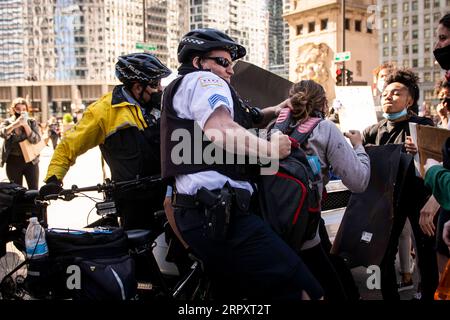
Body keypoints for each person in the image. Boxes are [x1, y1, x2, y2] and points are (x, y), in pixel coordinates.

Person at [161, 28, 323, 300]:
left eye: (232, 64)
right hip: (223, 215)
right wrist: (271, 149)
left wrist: (276, 108)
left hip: (204, 215)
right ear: (200, 62)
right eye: (223, 62)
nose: (230, 70)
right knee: (305, 291)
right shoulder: (202, 79)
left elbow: (248, 116)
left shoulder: (183, 88)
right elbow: (222, 130)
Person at [40, 53, 172, 231]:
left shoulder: (162, 105)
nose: (160, 89)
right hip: (132, 200)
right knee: (138, 251)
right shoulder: (103, 111)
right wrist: (53, 180)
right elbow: (68, 146)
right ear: (137, 87)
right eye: (155, 84)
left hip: (167, 192)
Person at [267, 79, 370, 300]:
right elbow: (358, 181)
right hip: (305, 227)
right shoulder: (325, 129)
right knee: (329, 286)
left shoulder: (272, 127)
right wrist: (359, 147)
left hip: (274, 223)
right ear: (324, 104)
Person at [362, 68, 439, 300]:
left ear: (410, 100)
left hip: (420, 201)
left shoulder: (423, 126)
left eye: (396, 93)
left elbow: (440, 161)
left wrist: (422, 152)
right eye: (386, 92)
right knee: (383, 256)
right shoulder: (372, 132)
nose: (388, 96)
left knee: (426, 256)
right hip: (388, 203)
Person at [0, 98, 42, 190]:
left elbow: (36, 140)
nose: (21, 111)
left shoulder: (31, 122)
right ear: (13, 109)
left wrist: (25, 125)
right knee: (16, 191)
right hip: (13, 161)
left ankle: (33, 205)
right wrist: (16, 124)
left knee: (34, 190)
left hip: (31, 161)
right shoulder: (8, 122)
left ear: (27, 110)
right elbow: (2, 133)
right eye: (18, 109)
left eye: (23, 109)